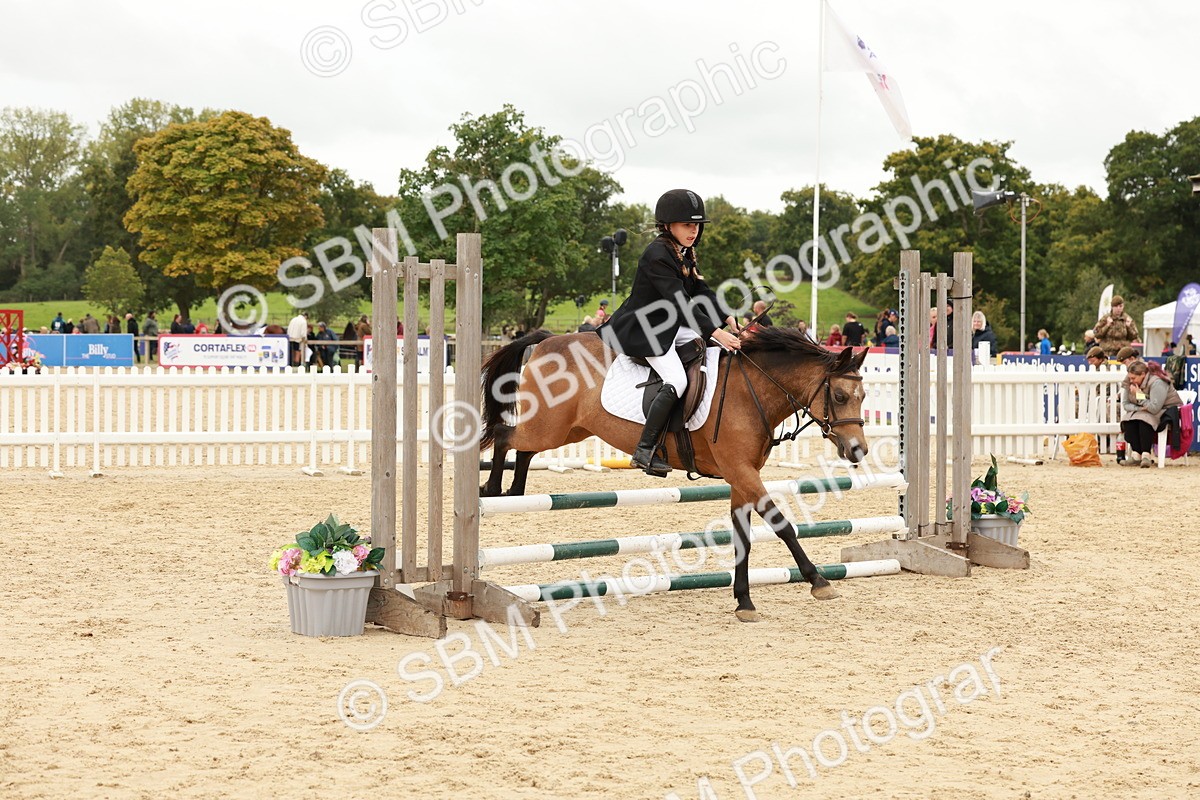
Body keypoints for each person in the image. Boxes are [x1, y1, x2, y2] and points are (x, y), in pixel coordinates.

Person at [603, 188, 741, 476]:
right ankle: (644, 450)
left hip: (670, 325)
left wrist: (729, 318)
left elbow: (701, 291)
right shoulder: (657, 254)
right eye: (687, 225)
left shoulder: (685, 251)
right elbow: (681, 301)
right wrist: (715, 332)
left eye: (696, 226)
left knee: (704, 349)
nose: (693, 231)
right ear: (668, 226)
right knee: (677, 380)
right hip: (645, 329)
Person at [1120, 360, 1182, 467]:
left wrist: (1139, 396)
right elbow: (1125, 404)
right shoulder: (1129, 381)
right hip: (1141, 410)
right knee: (1128, 421)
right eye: (1130, 377)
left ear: (1143, 374)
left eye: (1134, 378)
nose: (1131, 380)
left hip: (1164, 410)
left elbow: (1154, 408)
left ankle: (1146, 455)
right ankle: (1136, 455)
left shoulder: (1157, 382)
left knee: (1144, 420)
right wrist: (1139, 409)